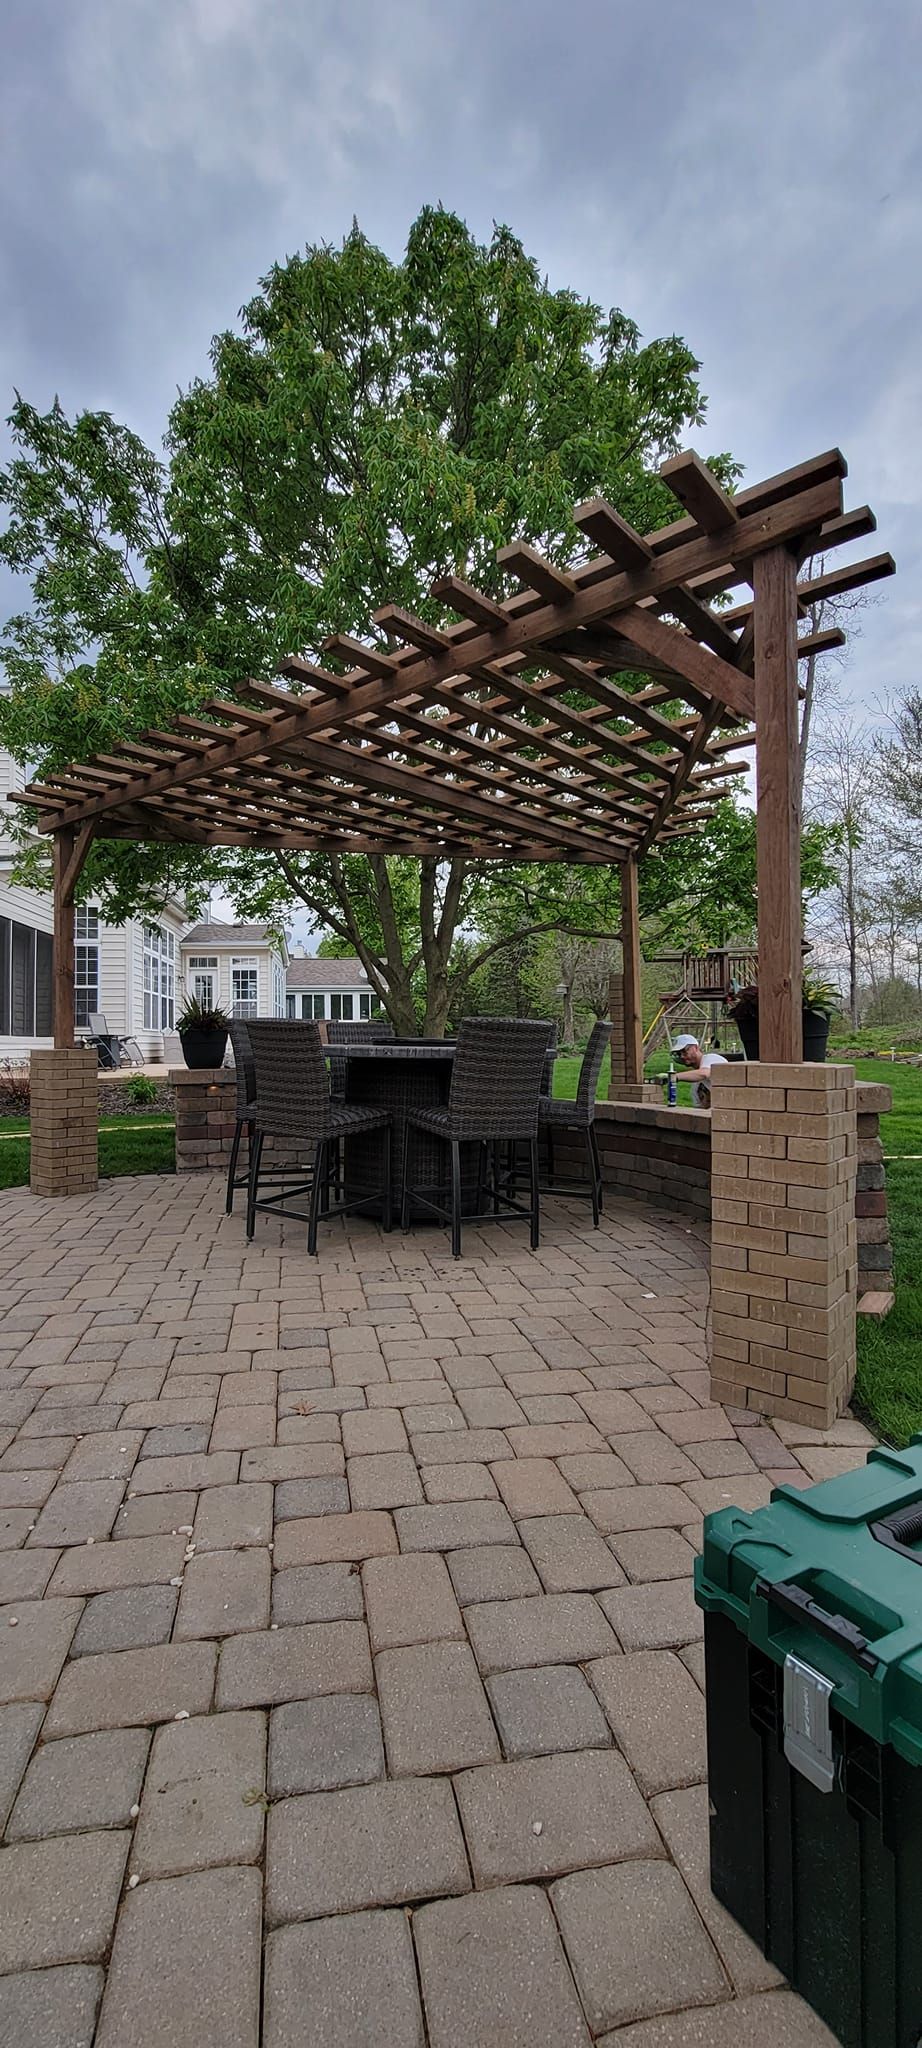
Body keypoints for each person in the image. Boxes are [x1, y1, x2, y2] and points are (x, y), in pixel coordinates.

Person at [671, 1034, 728, 1109]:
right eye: (678, 1053)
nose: (681, 1056)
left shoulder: (711, 1058)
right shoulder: (696, 1085)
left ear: (696, 1047)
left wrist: (673, 1077)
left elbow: (704, 1073)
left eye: (684, 1051)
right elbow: (699, 1110)